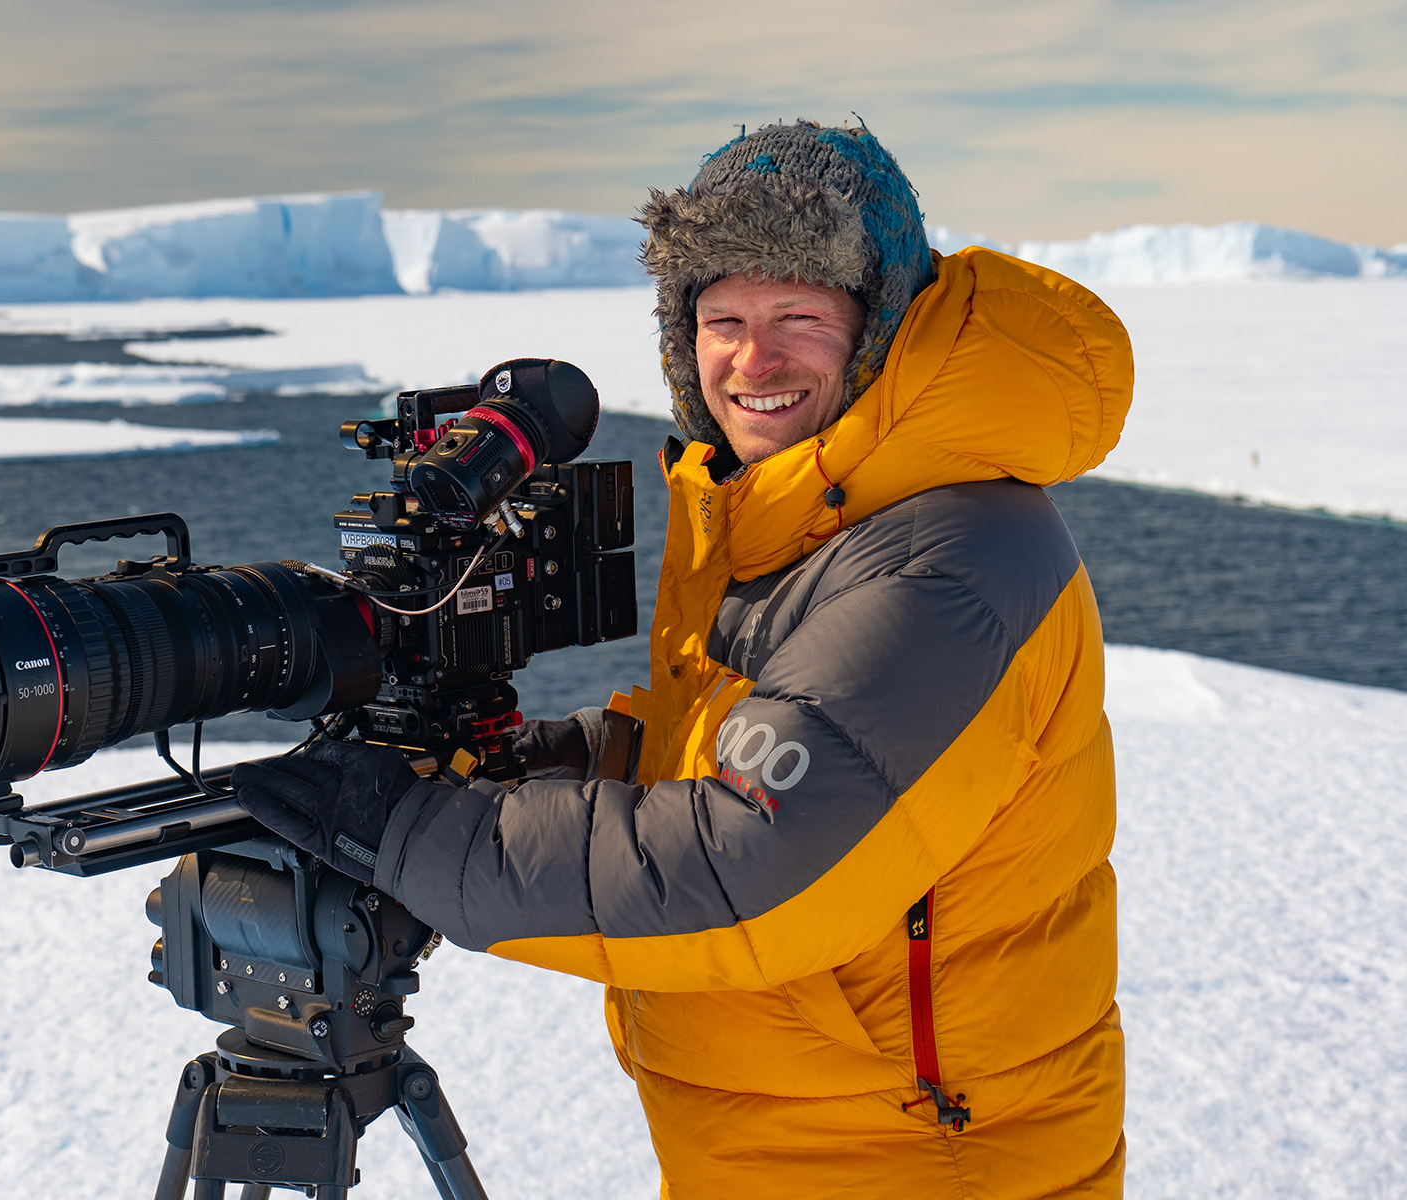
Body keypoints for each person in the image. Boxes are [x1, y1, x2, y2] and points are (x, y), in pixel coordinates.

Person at [234, 119, 1134, 1198]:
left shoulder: (948, 558)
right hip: (798, 1147)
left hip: (913, 1163)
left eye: (800, 314)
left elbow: (754, 864)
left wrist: (416, 830)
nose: (753, 361)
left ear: (880, 326)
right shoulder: (792, 509)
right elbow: (764, 745)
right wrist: (555, 758)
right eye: (722, 319)